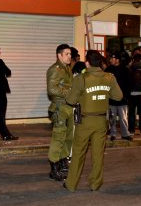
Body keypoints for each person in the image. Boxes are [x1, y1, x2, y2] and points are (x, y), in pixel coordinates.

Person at [63, 50, 123, 192]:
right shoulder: (109, 77)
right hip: (101, 121)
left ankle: (71, 184)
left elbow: (70, 100)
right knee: (98, 154)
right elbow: (118, 96)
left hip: (85, 121)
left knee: (78, 153)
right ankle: (95, 184)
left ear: (87, 63)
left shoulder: (81, 78)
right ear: (101, 62)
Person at [46, 44, 73, 181]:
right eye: (67, 54)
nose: (69, 56)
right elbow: (52, 89)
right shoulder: (55, 69)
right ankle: (54, 167)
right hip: (59, 107)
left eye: (70, 54)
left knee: (68, 137)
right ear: (59, 55)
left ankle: (63, 162)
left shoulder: (66, 68)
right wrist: (70, 93)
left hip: (68, 107)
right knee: (58, 138)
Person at [105, 51, 133, 141]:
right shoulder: (108, 70)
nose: (110, 60)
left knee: (123, 117)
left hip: (122, 99)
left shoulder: (125, 70)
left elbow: (129, 84)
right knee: (112, 118)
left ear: (117, 60)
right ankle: (113, 133)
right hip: (111, 98)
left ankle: (125, 133)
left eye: (112, 58)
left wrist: (127, 97)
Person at [128, 54, 141, 135]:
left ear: (133, 60)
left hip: (132, 93)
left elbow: (128, 81)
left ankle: (131, 130)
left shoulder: (130, 69)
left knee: (131, 112)